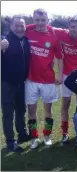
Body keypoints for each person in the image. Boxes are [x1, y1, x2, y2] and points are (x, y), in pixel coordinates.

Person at [25, 9, 63, 149]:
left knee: (48, 110)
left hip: (48, 80)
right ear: (33, 20)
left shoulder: (54, 36)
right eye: (37, 20)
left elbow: (59, 57)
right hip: (31, 80)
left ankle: (47, 135)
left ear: (48, 20)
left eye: (43, 20)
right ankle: (34, 137)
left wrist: (59, 74)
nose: (40, 23)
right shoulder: (27, 30)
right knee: (31, 111)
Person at [1, 15, 31, 152]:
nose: (19, 28)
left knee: (21, 110)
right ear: (11, 26)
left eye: (22, 26)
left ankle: (22, 134)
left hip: (22, 83)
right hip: (7, 83)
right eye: (16, 25)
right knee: (8, 113)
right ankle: (10, 141)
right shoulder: (4, 40)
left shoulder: (26, 41)